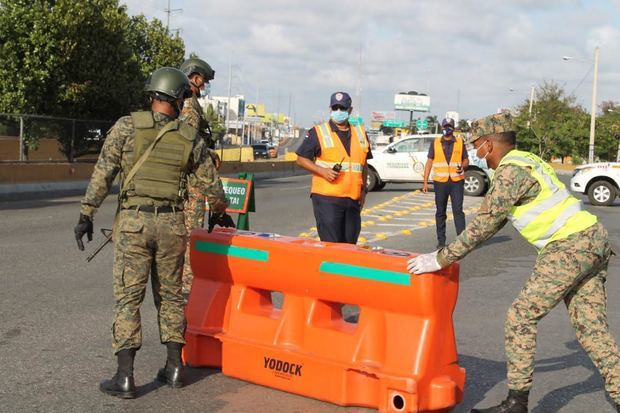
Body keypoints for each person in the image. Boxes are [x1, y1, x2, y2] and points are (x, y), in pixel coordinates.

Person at [407, 112, 620, 413]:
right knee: (591, 329)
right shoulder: (526, 160)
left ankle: (516, 403)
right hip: (591, 241)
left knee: (520, 318)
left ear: (490, 144)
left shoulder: (510, 172)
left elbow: (484, 225)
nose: (474, 151)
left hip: (569, 247)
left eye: (476, 144)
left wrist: (441, 258)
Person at [74, 67, 231, 399]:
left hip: (134, 224)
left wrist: (86, 214)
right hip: (173, 225)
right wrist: (219, 213)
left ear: (151, 96)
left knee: (128, 298)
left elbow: (103, 173)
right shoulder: (190, 137)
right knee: (171, 297)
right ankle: (175, 368)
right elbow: (212, 186)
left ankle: (125, 377)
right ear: (177, 100)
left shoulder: (126, 127)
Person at [295, 91, 372, 244]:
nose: (338, 112)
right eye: (335, 108)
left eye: (342, 108)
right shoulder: (318, 132)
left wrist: (363, 192)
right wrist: (322, 171)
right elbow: (301, 158)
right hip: (327, 198)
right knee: (332, 245)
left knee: (350, 244)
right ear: (330, 109)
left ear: (350, 110)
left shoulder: (361, 133)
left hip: (352, 198)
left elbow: (363, 165)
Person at [179, 57, 223, 298]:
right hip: (192, 184)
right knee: (190, 238)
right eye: (203, 81)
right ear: (195, 78)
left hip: (188, 180)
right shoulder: (189, 106)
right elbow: (189, 148)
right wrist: (209, 155)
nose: (203, 86)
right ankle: (186, 291)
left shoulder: (181, 101)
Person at [422, 117, 469, 248]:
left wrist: (463, 166)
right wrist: (425, 182)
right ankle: (441, 242)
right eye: (445, 127)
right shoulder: (435, 143)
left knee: (458, 211)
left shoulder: (460, 142)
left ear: (453, 129)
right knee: (440, 212)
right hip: (440, 183)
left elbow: (466, 160)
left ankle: (461, 241)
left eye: (449, 127)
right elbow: (429, 162)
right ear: (442, 127)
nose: (447, 129)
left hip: (456, 182)